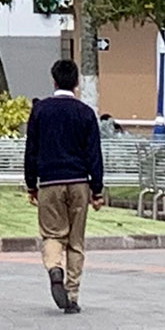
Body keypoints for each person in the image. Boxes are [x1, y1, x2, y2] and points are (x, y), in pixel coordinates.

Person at [23, 58, 105, 314]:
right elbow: (94, 154)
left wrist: (31, 184)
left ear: (54, 80)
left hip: (49, 182)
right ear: (77, 83)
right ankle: (72, 294)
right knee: (76, 241)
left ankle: (54, 268)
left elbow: (31, 150)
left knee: (52, 235)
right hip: (79, 182)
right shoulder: (85, 113)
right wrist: (97, 189)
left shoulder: (40, 111)